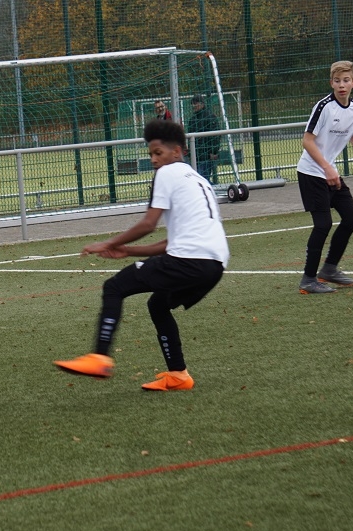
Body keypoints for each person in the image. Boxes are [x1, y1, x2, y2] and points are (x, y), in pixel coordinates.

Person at [53, 119, 228, 391]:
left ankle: (99, 357)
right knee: (158, 304)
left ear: (177, 152)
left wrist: (108, 242)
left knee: (114, 287)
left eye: (158, 153)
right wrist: (127, 251)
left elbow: (148, 224)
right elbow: (172, 242)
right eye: (151, 154)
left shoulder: (167, 174)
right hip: (214, 265)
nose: (154, 159)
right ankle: (178, 375)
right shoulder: (198, 180)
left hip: (189, 260)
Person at [295, 60, 353, 294]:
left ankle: (329, 269)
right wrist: (326, 168)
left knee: (351, 217)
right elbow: (307, 141)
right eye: (337, 81)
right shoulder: (324, 107)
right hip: (311, 172)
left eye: (346, 80)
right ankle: (308, 279)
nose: (341, 85)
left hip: (329, 172)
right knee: (323, 224)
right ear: (331, 83)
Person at [188, 94, 221, 183]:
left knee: (201, 180)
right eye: (192, 104)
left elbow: (216, 136)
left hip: (206, 156)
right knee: (200, 180)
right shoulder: (192, 120)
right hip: (196, 156)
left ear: (202, 104)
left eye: (195, 103)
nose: (193, 106)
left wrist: (214, 151)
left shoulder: (210, 117)